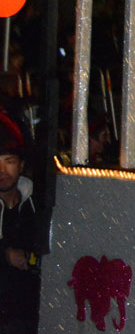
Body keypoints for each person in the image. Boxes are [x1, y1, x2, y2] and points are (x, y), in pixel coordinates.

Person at [0, 110, 39, 334]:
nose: (2, 171)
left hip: (29, 314)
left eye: (9, 161)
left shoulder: (35, 203)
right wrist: (5, 255)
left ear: (21, 165)